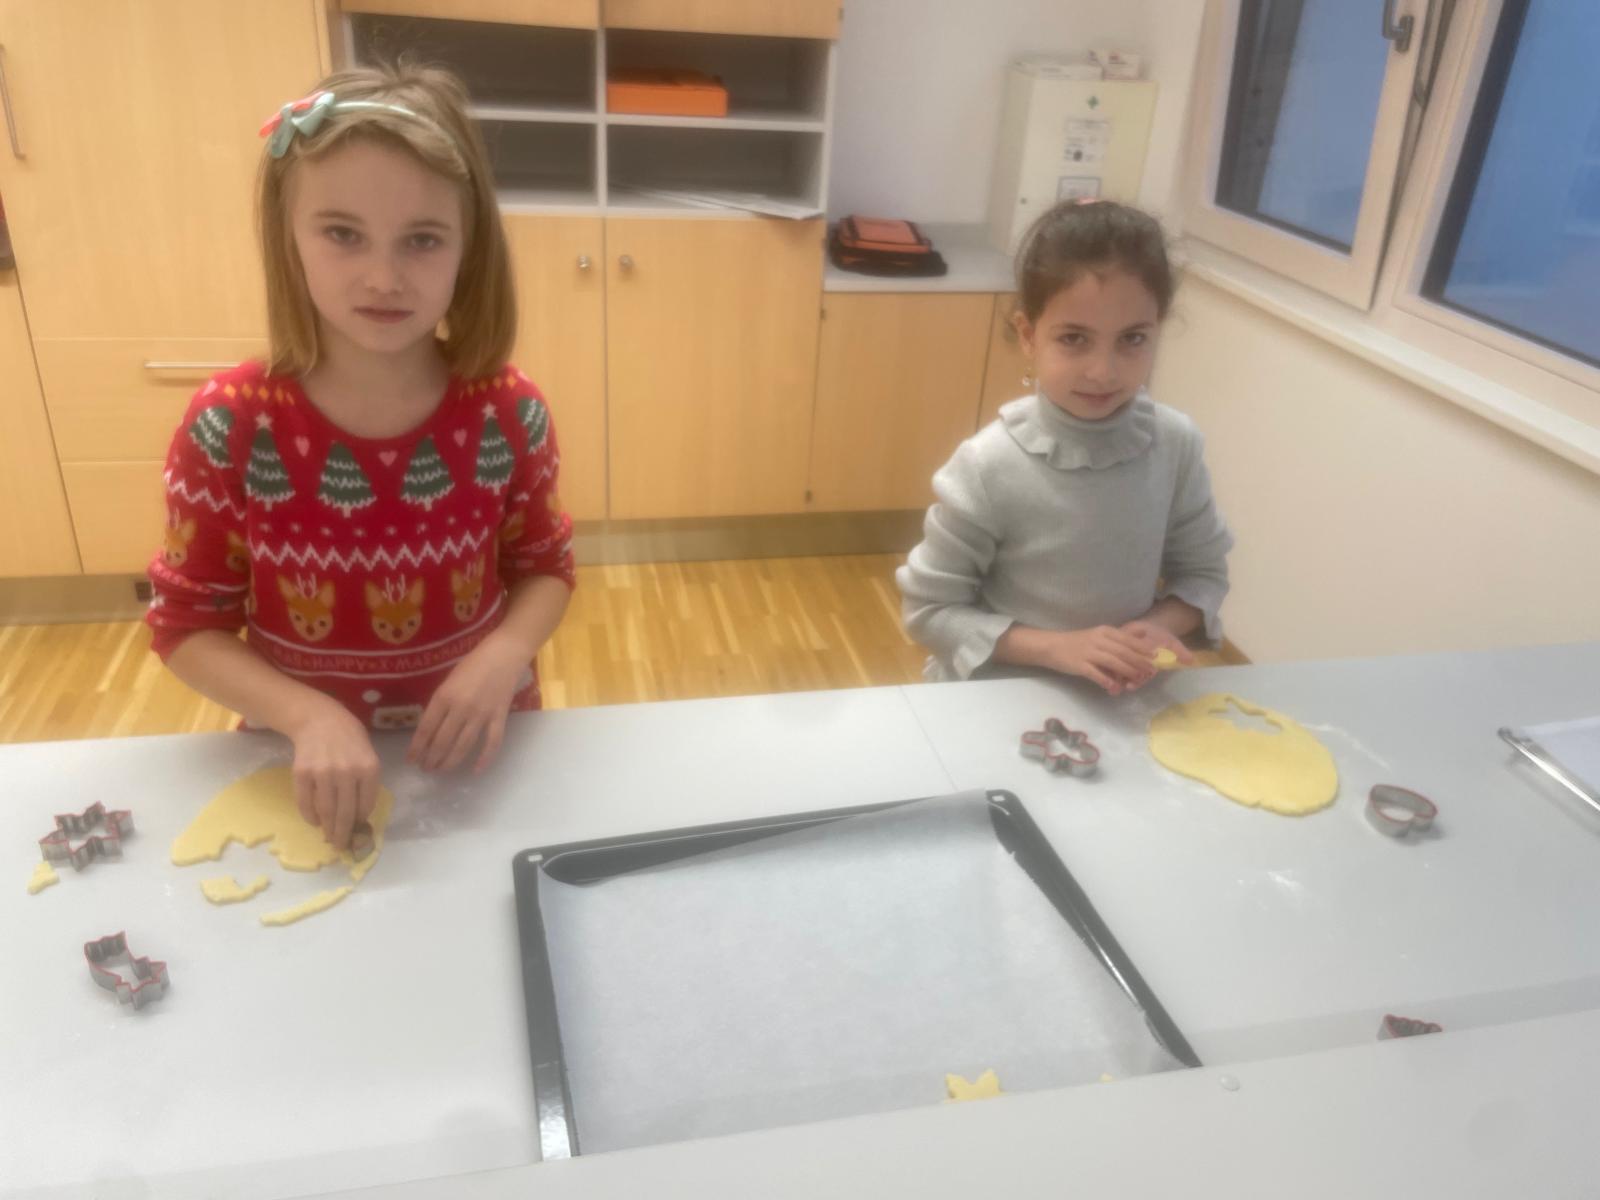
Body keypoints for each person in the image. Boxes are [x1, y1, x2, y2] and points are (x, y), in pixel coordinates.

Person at [147, 64, 574, 847]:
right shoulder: (230, 423)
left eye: (423, 240)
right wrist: (307, 716)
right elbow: (185, 627)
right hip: (302, 765)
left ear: (469, 248)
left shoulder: (509, 412)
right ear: (289, 237)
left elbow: (545, 568)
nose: (384, 277)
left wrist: (507, 653)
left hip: (479, 750)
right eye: (343, 234)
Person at [897, 199, 1232, 692]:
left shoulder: (1175, 444)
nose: (1103, 371)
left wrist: (1157, 626)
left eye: (1132, 339)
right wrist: (1058, 649)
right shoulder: (988, 465)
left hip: (1119, 696)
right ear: (1029, 336)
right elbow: (930, 611)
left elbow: (1203, 575)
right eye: (1074, 338)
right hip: (1002, 696)